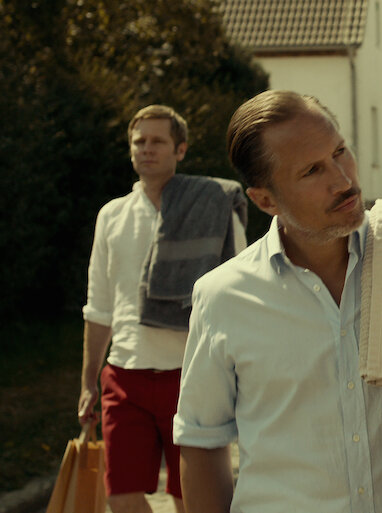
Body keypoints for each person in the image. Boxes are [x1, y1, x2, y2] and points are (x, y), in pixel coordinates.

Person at [174, 90, 382, 513]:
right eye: (312, 170)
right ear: (265, 200)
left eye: (340, 152)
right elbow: (201, 440)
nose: (343, 180)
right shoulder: (223, 297)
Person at [78, 105, 247, 513]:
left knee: (192, 499)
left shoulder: (214, 207)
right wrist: (88, 383)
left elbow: (239, 293)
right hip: (124, 374)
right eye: (139, 142)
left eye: (158, 141)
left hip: (190, 374)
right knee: (120, 498)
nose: (147, 149)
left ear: (180, 149)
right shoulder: (112, 215)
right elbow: (99, 307)